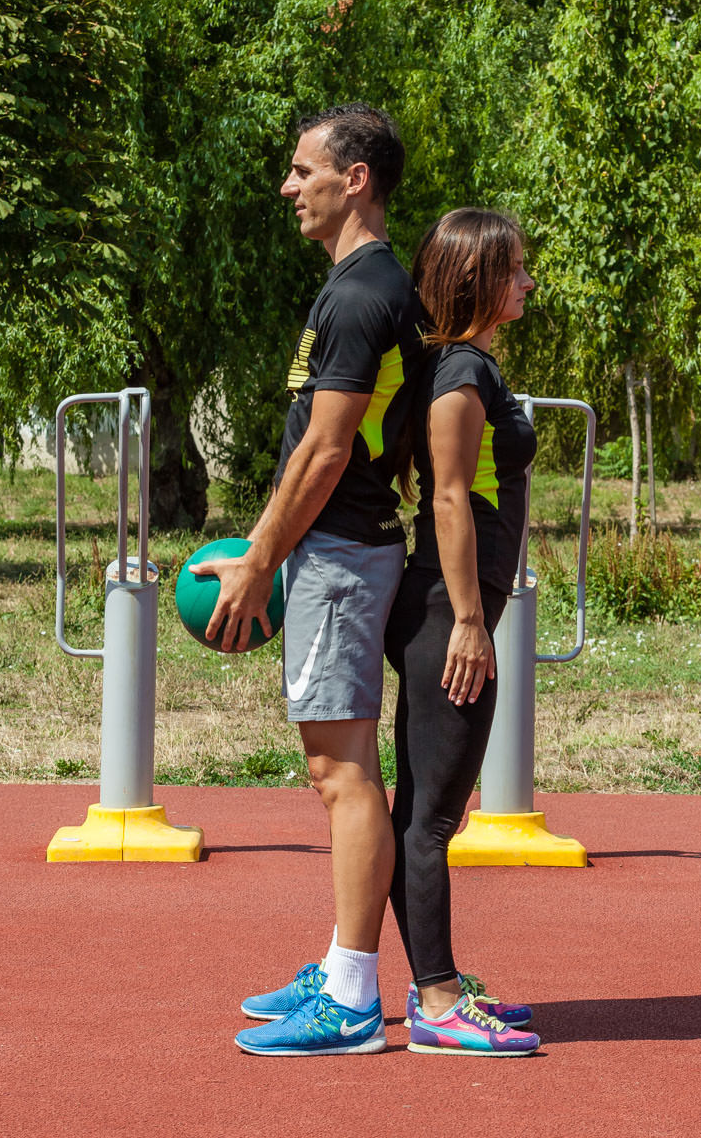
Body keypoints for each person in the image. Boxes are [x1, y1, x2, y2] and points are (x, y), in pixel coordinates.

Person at [193, 104, 424, 1056]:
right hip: (331, 555)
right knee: (338, 769)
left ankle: (356, 1001)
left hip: (339, 559)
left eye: (302, 172)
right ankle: (341, 965)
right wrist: (257, 548)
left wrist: (264, 561)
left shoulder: (364, 295)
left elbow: (328, 452)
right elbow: (316, 448)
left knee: (341, 774)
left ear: (354, 178)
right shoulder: (358, 288)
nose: (289, 187)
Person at [384, 208, 541, 1056]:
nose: (528, 281)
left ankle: (432, 981)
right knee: (434, 820)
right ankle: (438, 1003)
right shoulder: (459, 374)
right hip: (449, 613)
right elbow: (447, 498)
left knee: (421, 811)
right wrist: (471, 625)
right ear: (480, 277)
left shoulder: (467, 366)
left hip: (451, 607)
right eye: (516, 269)